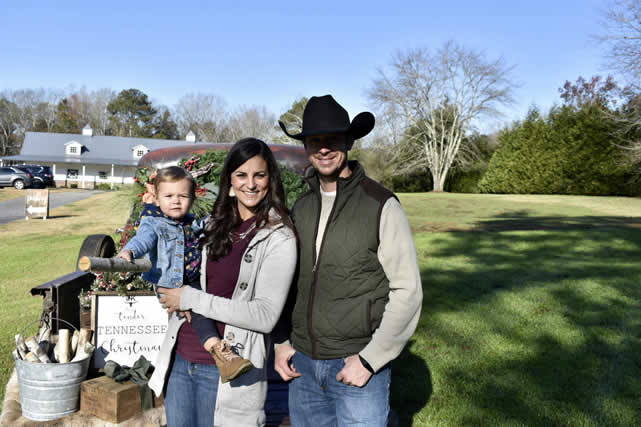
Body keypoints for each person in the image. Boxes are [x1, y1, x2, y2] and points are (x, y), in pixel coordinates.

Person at [274, 95, 423, 426]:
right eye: (315, 142)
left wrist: (371, 361)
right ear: (306, 148)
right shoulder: (302, 207)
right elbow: (288, 281)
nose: (323, 149)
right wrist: (282, 341)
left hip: (356, 365)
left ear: (349, 141)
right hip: (304, 367)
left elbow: (408, 291)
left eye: (332, 140)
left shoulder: (381, 204)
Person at [150, 138, 297, 427]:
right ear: (230, 180)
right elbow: (182, 274)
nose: (250, 184)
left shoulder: (279, 237)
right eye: (241, 175)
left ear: (271, 180)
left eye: (259, 175)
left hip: (226, 366)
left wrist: (188, 298)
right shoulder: (211, 225)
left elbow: (265, 316)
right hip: (182, 355)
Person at [117, 166, 254, 383]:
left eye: (183, 196)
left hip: (189, 280)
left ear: (192, 198)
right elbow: (142, 240)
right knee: (199, 313)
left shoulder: (188, 222)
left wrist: (227, 216)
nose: (176, 201)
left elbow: (204, 226)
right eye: (169, 196)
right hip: (169, 283)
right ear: (156, 197)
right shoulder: (153, 222)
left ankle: (220, 353)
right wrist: (128, 252)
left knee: (197, 311)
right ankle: (222, 355)